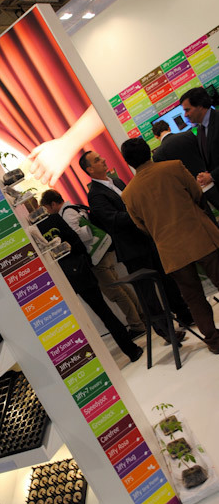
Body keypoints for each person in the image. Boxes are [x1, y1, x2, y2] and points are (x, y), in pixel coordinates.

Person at [120, 137, 219, 354]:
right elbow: (196, 193)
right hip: (200, 236)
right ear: (149, 151)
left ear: (128, 162)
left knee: (193, 298)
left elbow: (141, 226)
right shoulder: (174, 167)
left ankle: (214, 341)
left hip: (171, 251)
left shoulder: (128, 193)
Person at [83, 149, 192, 343]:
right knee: (148, 293)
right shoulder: (95, 195)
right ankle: (166, 331)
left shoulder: (117, 182)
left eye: (101, 157)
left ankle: (185, 315)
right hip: (132, 250)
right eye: (97, 160)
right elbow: (112, 220)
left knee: (168, 280)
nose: (103, 160)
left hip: (148, 239)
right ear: (90, 169)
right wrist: (139, 212)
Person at [35, 211, 143, 363]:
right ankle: (131, 350)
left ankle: (88, 361)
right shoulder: (53, 219)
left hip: (55, 281)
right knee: (104, 312)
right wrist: (84, 262)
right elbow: (76, 243)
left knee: (74, 322)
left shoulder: (29, 233)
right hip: (78, 272)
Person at [40, 189, 146, 338]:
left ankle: (137, 325)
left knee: (115, 292)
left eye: (47, 209)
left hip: (96, 256)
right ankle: (142, 317)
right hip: (103, 250)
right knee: (120, 286)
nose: (48, 213)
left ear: (52, 204)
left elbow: (79, 236)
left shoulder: (67, 214)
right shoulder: (73, 208)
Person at [180, 87, 219, 210]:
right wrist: (206, 175)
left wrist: (212, 176)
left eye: (187, 110)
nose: (185, 115)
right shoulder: (201, 129)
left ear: (200, 106)